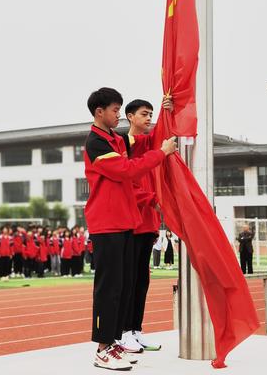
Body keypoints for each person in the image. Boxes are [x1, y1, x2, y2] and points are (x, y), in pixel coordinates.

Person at [84, 87, 177, 371]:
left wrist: (166, 112)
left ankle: (113, 342)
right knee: (108, 288)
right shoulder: (97, 143)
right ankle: (102, 348)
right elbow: (127, 170)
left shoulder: (117, 139)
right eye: (115, 110)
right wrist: (161, 154)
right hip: (106, 222)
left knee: (123, 287)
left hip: (125, 221)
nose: (118, 115)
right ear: (100, 112)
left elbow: (150, 137)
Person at [119, 98, 172, 352]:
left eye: (151, 114)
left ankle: (136, 330)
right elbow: (127, 184)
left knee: (142, 281)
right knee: (129, 280)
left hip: (149, 222)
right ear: (130, 116)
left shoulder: (149, 143)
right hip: (133, 221)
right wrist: (153, 200)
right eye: (144, 114)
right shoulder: (125, 145)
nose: (148, 118)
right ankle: (124, 331)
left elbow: (162, 133)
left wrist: (166, 109)